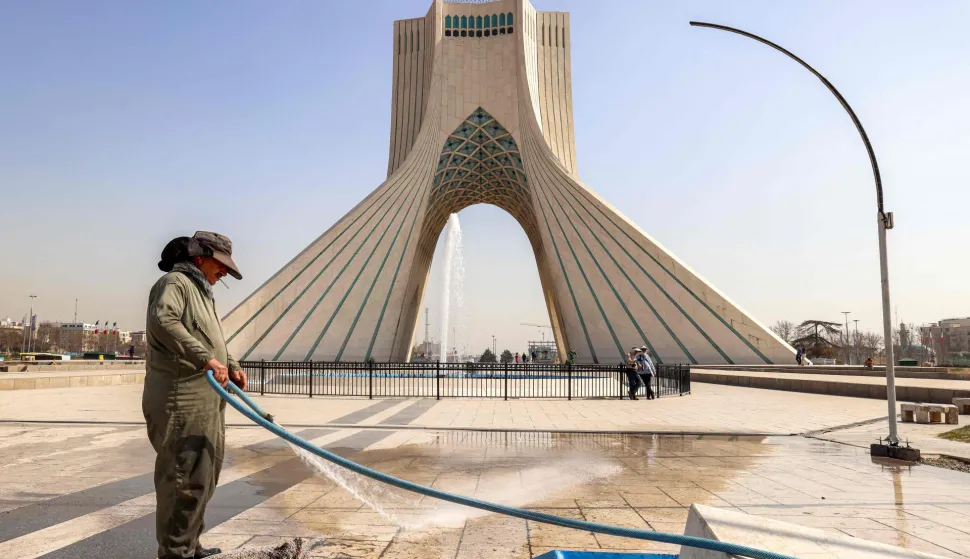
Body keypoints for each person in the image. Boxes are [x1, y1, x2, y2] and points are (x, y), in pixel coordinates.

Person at [143, 231, 248, 559]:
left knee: (204, 476)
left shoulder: (203, 292)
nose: (224, 273)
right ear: (200, 257)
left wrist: (230, 363)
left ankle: (189, 544)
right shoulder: (175, 284)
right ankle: (176, 553)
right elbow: (165, 320)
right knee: (183, 480)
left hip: (207, 402)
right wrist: (206, 359)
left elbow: (210, 336)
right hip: (182, 401)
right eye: (221, 265)